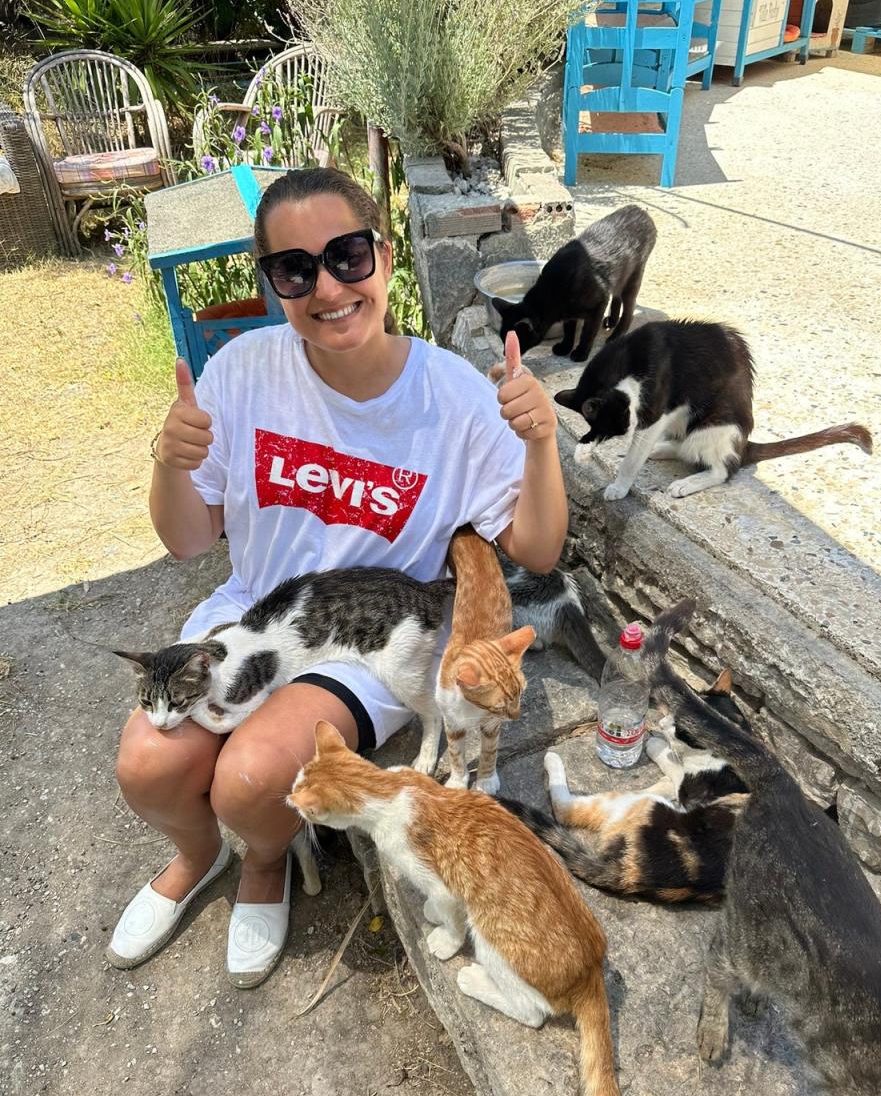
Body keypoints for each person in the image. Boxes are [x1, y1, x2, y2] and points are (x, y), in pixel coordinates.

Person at [108, 166, 567, 988]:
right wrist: (169, 464)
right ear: (273, 283)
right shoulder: (246, 371)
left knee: (250, 778)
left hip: (364, 641)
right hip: (257, 615)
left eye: (347, 255)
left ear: (384, 257)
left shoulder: (454, 397)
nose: (326, 286)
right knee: (148, 763)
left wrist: (540, 447)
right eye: (294, 269)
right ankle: (197, 853)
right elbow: (185, 540)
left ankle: (262, 863)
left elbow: (535, 547)